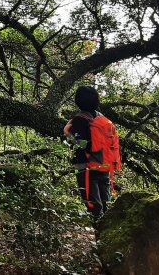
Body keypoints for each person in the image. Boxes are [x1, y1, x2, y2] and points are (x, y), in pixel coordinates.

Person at [64, 86, 115, 218]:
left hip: (85, 167)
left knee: (94, 208)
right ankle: (110, 236)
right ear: (97, 101)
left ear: (78, 101)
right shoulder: (103, 119)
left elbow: (81, 143)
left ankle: (100, 238)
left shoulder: (79, 120)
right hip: (104, 165)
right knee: (106, 205)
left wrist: (68, 134)